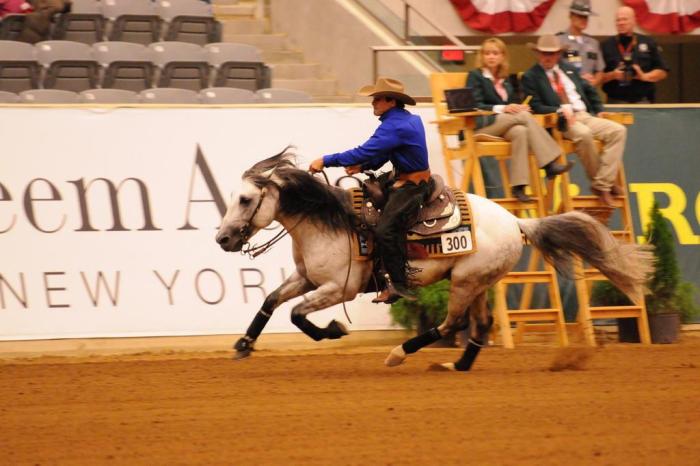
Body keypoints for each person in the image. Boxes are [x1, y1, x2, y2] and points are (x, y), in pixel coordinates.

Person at [309, 77, 430, 304]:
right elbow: (384, 153)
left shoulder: (394, 125)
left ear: (391, 101)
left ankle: (398, 284)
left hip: (413, 186)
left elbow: (362, 151)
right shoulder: (402, 121)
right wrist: (364, 166)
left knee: (385, 229)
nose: (373, 103)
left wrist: (325, 160)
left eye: (377, 99)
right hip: (404, 177)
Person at [522, 35, 627, 207]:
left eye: (552, 53)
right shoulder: (530, 76)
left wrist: (599, 110)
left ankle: (602, 183)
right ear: (538, 54)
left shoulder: (568, 69)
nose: (548, 57)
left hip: (584, 114)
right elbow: (534, 106)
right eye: (544, 53)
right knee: (584, 135)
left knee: (618, 131)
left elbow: (589, 90)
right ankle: (604, 187)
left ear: (558, 54)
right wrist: (559, 110)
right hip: (560, 121)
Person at [467, 37, 572, 203]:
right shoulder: (475, 76)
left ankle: (519, 186)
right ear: (482, 56)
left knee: (520, 131)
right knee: (523, 117)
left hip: (505, 124)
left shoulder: (506, 79)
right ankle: (549, 163)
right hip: (481, 126)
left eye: (495, 53)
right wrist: (503, 108)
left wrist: (520, 107)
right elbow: (475, 105)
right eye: (487, 53)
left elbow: (514, 102)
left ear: (502, 56)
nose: (491, 57)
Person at [601, 6, 669, 103]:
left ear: (634, 21)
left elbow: (663, 72)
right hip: (615, 101)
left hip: (643, 101)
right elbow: (598, 77)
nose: (621, 23)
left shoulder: (648, 42)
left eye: (625, 19)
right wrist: (613, 75)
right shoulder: (606, 45)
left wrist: (645, 76)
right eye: (618, 20)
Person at [556, 0, 604, 86]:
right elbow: (552, 70)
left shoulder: (593, 43)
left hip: (588, 94)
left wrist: (594, 82)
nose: (584, 20)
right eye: (580, 16)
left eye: (586, 17)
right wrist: (577, 79)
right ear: (570, 16)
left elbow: (600, 70)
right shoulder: (558, 40)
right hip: (567, 92)